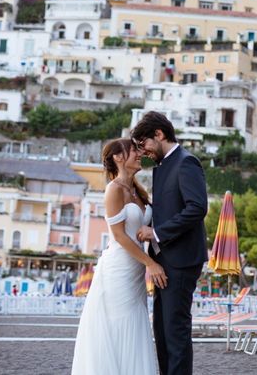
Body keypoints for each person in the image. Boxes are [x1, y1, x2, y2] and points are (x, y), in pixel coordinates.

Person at [71, 138, 165, 375]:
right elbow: (121, 237)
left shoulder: (136, 190)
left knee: (134, 328)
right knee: (118, 328)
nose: (138, 153)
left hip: (134, 272)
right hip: (119, 270)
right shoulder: (114, 190)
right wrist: (151, 264)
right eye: (133, 150)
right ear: (118, 157)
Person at [132, 111, 208, 375]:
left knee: (175, 332)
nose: (143, 152)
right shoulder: (163, 167)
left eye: (144, 144)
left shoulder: (186, 162)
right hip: (164, 260)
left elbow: (197, 208)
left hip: (183, 260)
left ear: (159, 134)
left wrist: (156, 233)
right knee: (162, 333)